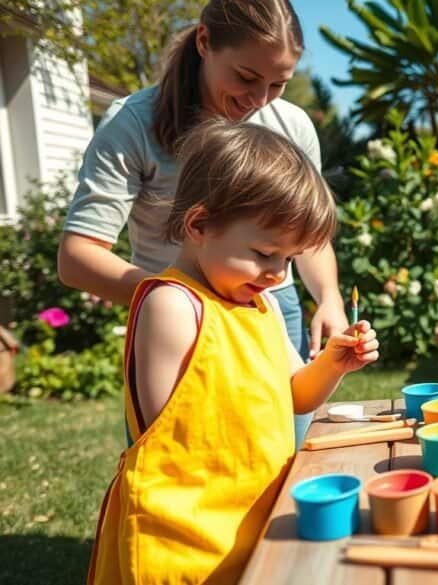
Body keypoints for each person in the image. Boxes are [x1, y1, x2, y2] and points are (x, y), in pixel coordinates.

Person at [88, 119, 379, 584]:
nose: (277, 274)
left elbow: (294, 396)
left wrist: (331, 364)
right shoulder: (172, 304)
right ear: (199, 224)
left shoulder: (258, 305)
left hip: (251, 520)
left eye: (287, 260)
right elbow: (168, 439)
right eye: (265, 253)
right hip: (186, 541)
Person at [57, 0, 342, 447]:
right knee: (181, 460)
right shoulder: (133, 125)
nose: (259, 100)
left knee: (280, 464)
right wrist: (177, 304)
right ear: (205, 42)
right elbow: (77, 258)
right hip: (175, 324)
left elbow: (305, 238)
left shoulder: (291, 125)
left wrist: (329, 297)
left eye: (278, 84)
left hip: (266, 310)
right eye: (247, 78)